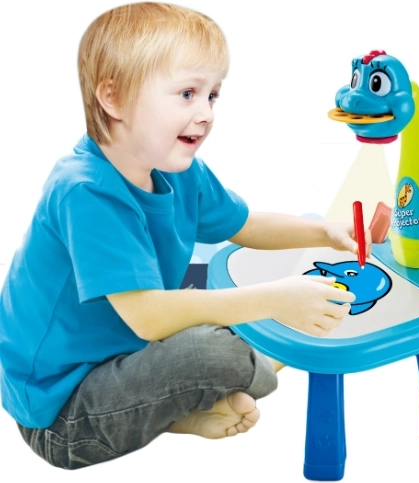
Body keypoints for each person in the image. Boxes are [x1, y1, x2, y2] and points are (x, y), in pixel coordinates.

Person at [0, 2, 370, 470]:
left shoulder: (175, 167)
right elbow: (149, 319)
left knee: (216, 286)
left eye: (212, 95)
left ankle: (181, 411)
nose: (206, 113)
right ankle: (244, 368)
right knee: (209, 347)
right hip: (62, 417)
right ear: (114, 99)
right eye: (188, 93)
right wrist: (279, 301)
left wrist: (324, 231)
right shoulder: (85, 191)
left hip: (123, 360)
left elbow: (244, 224)